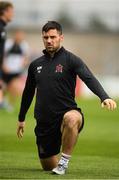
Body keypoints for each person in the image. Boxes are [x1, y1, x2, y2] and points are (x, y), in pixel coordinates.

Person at [17, 21, 117, 175]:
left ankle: (63, 163)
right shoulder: (35, 65)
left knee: (72, 119)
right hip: (44, 122)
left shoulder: (71, 60)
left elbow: (88, 77)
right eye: (45, 37)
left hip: (67, 113)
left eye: (53, 37)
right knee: (47, 166)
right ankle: (57, 164)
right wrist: (21, 118)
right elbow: (28, 92)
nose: (49, 40)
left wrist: (103, 97)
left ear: (61, 37)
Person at [2, 30, 30, 108]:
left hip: (16, 71)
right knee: (3, 87)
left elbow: (26, 57)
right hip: (6, 70)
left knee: (13, 87)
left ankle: (10, 105)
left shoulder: (24, 45)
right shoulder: (8, 43)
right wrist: (4, 66)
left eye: (22, 35)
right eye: (19, 35)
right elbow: (2, 55)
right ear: (15, 35)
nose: (20, 37)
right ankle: (3, 101)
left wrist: (24, 63)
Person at [0, 1, 14, 108]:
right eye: (11, 11)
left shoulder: (3, 28)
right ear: (4, 11)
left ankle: (2, 103)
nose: (12, 14)